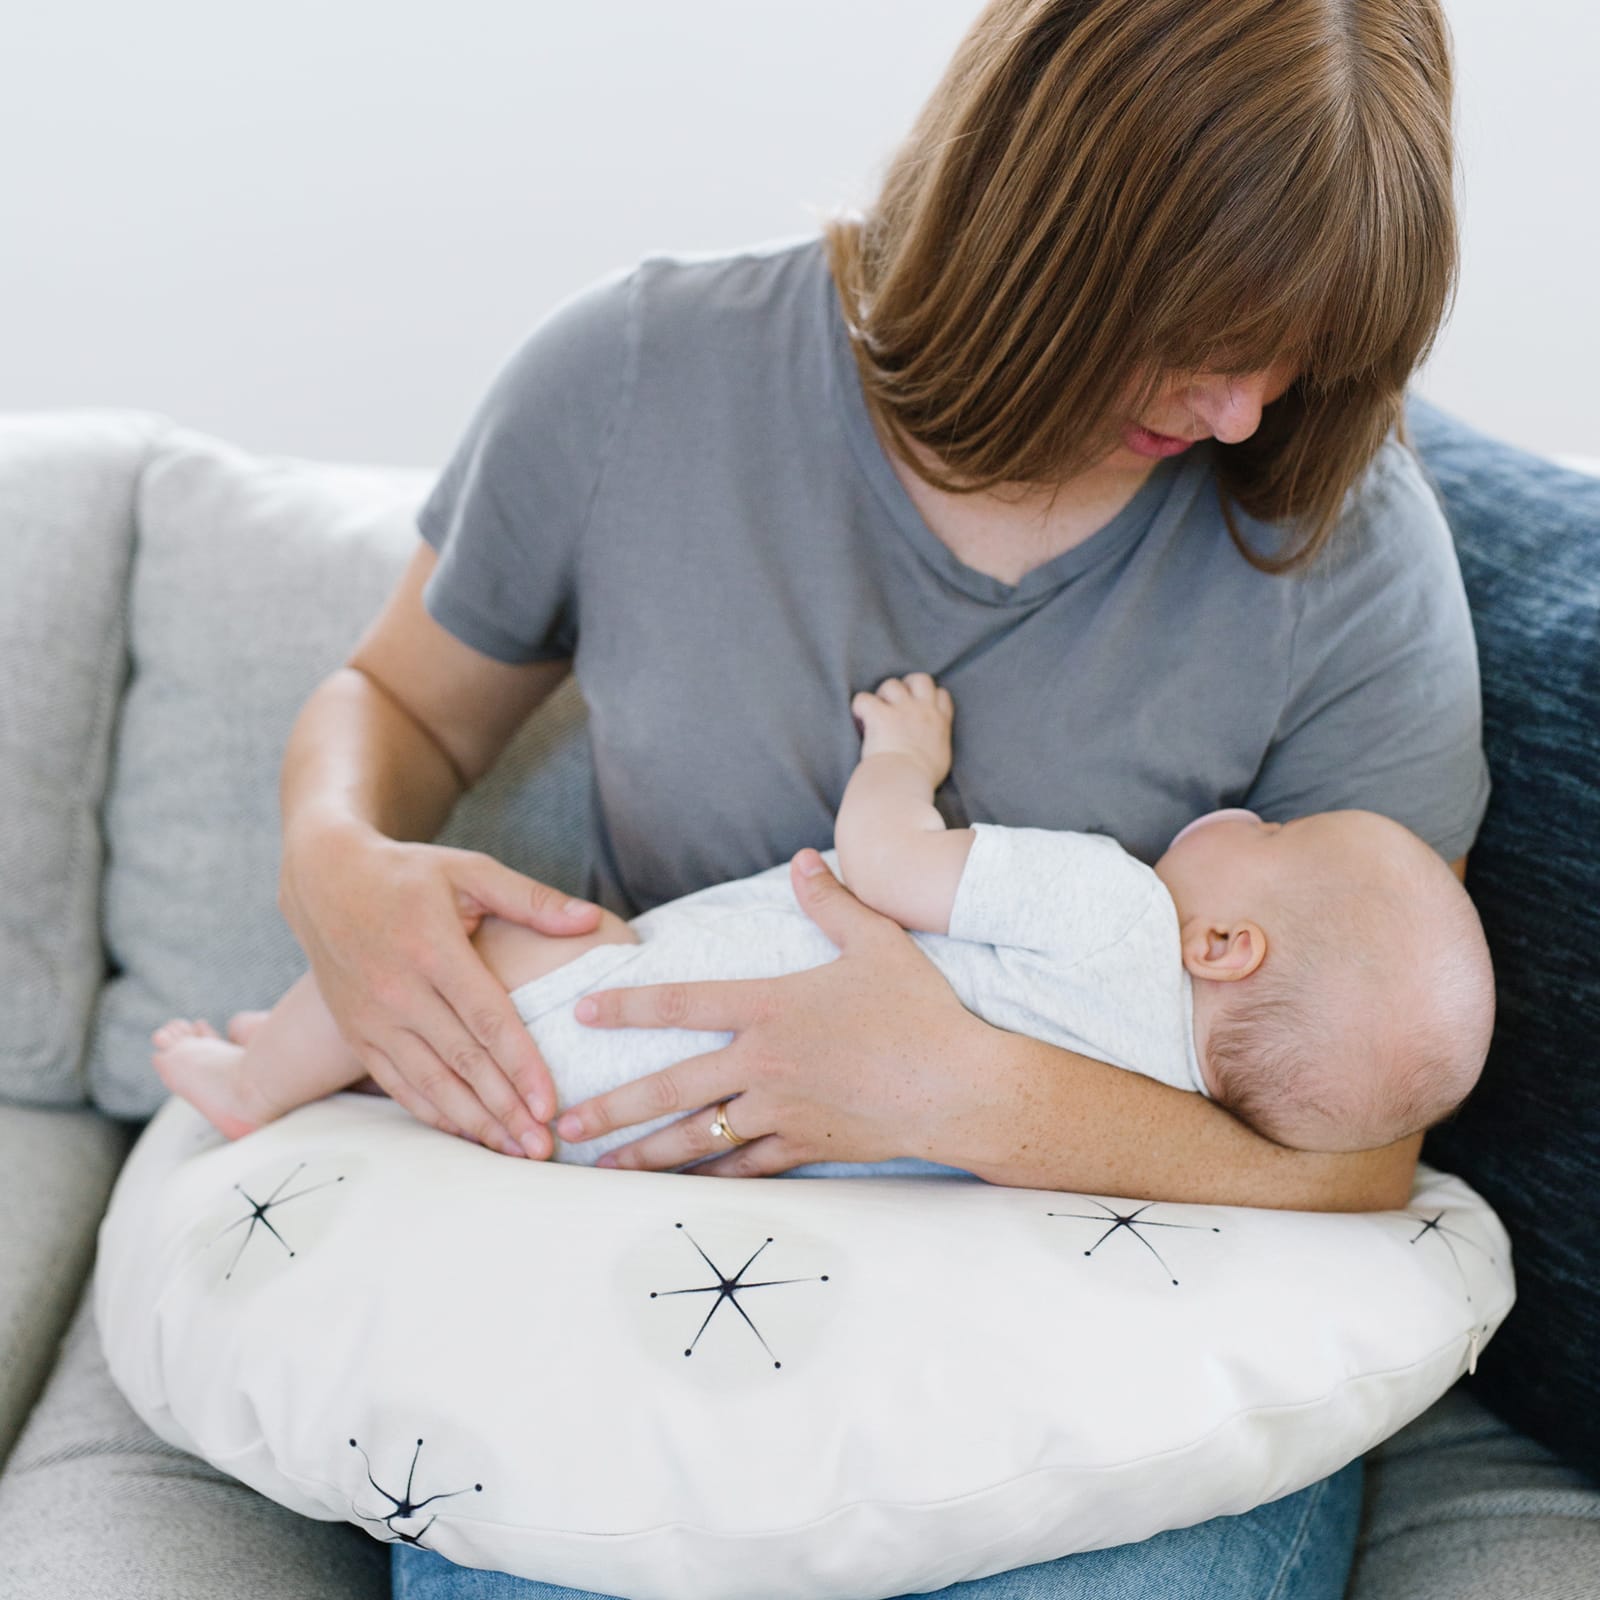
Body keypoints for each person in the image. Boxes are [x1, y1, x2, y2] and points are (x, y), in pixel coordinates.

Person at [270, 1, 1481, 1593]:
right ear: (1038, 222)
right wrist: (336, 858)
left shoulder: (1345, 554)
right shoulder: (641, 375)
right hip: (667, 1253)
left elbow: (1363, 1156)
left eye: (1299, 352)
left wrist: (960, 1093)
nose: (1246, 413)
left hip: (1094, 1326)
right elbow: (400, 702)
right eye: (1205, 332)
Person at [154, 675, 1493, 1161]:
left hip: (623, 1018)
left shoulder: (1114, 905)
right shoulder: (1157, 1112)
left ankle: (254, 1075)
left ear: (1222, 944)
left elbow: (886, 858)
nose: (1251, 820)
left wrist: (905, 754)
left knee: (460, 936)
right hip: (680, 1144)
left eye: (1279, 833)